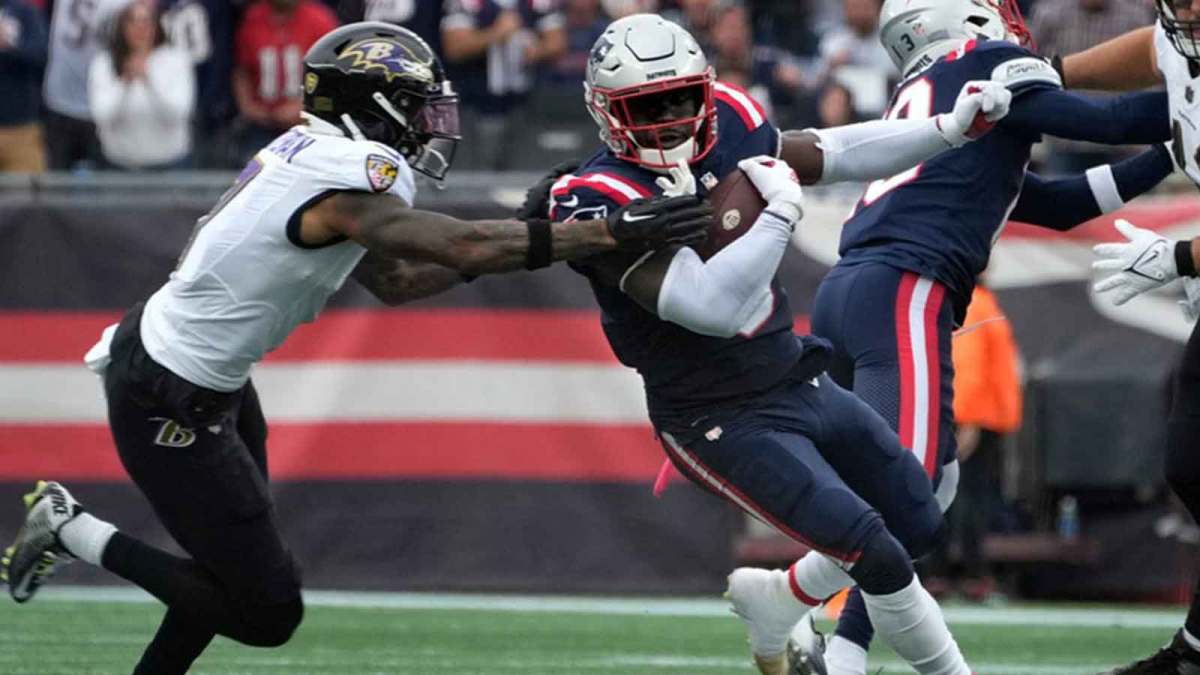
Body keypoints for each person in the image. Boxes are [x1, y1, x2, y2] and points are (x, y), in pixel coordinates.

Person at [0, 22, 710, 675]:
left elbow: (401, 277)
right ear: (371, 104)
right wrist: (612, 231)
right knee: (268, 610)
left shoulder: (318, 157)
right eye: (417, 105)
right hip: (167, 390)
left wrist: (530, 229)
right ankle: (71, 528)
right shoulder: (349, 169)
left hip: (196, 375)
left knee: (229, 571)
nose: (431, 123)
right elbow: (457, 242)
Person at [532, 12, 1018, 675]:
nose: (673, 117)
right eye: (649, 105)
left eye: (683, 96)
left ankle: (777, 597)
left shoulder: (728, 115)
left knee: (919, 517)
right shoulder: (599, 198)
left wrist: (947, 131)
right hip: (715, 416)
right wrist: (781, 214)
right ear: (606, 112)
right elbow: (708, 306)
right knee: (875, 551)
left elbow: (832, 149)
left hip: (791, 372)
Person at [783, 0, 1179, 672]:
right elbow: (1106, 120)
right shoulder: (987, 64)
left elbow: (1057, 206)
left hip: (852, 294)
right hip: (901, 289)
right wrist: (1186, 104)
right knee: (911, 490)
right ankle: (806, 614)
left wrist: (1169, 149)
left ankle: (836, 643)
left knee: (928, 487)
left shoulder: (932, 94)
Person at [1058, 2, 1200, 671]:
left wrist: (1180, 259)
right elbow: (1147, 53)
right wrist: (1046, 72)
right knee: (1190, 460)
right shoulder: (1174, 42)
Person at [89, 0, 196, 170]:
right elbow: (102, 116)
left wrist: (149, 80)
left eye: (146, 21)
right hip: (119, 165)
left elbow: (178, 113)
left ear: (156, 26)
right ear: (122, 27)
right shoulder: (104, 63)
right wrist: (125, 82)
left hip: (170, 164)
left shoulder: (176, 61)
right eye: (132, 21)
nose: (140, 28)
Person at [232, 0, 338, 163]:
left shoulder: (320, 20)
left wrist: (303, 106)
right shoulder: (253, 18)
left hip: (309, 127)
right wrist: (248, 106)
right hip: (261, 125)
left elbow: (333, 76)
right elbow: (242, 69)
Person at [0, 0, 48, 173]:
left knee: (25, 198)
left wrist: (9, 45)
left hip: (21, 130)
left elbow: (41, 58)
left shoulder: (25, 12)